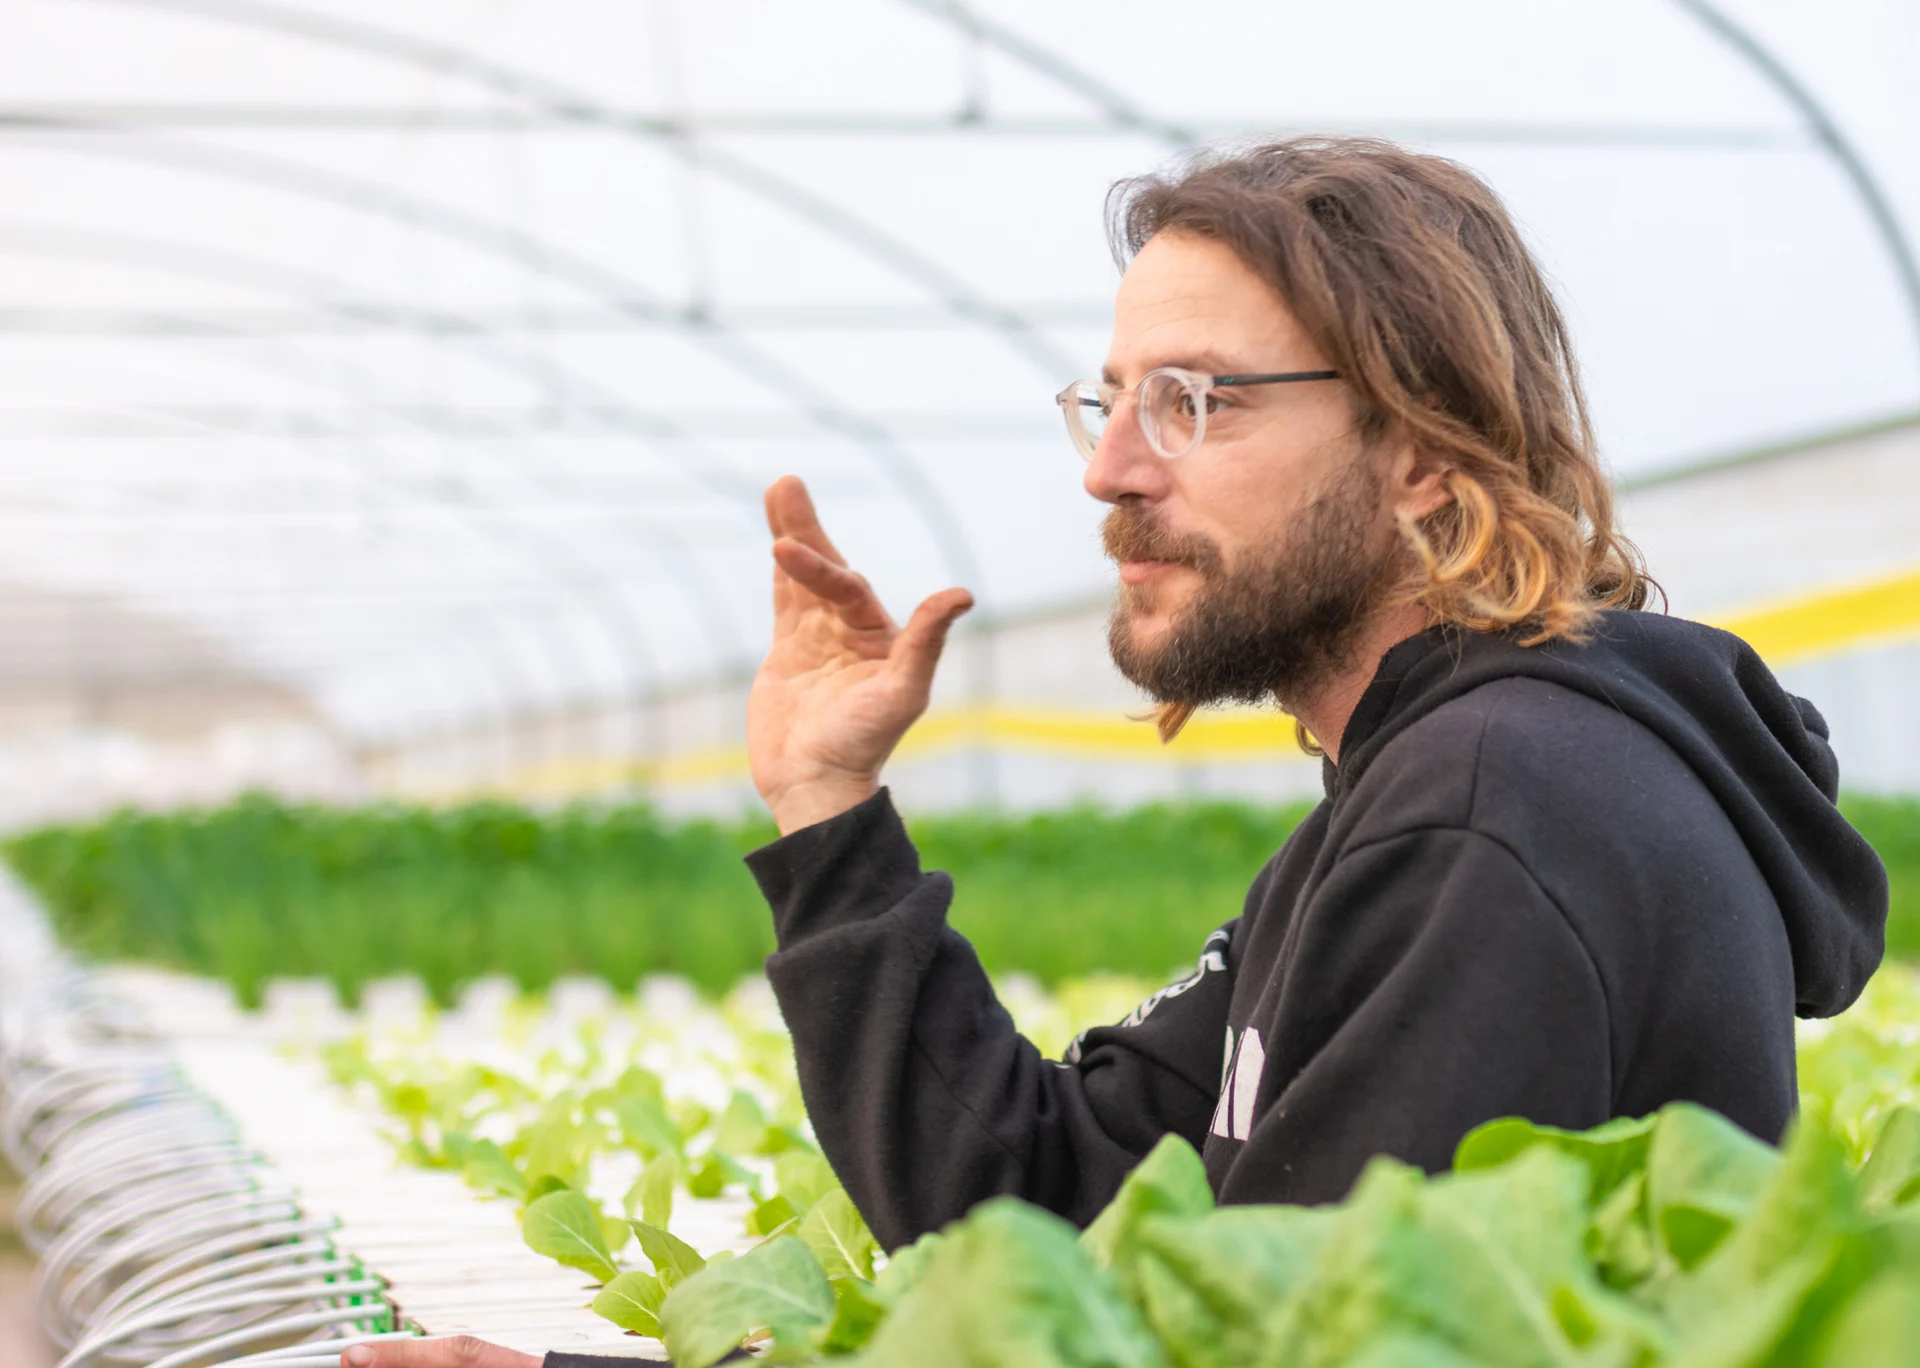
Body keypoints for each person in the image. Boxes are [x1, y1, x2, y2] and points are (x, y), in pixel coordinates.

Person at [345, 136, 1887, 1368]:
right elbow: (1040, 1210)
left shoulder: (1495, 816)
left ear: (1422, 452)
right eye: (1110, 397)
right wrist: (826, 804)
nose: (1107, 467)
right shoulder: (1420, 791)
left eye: (1194, 402)